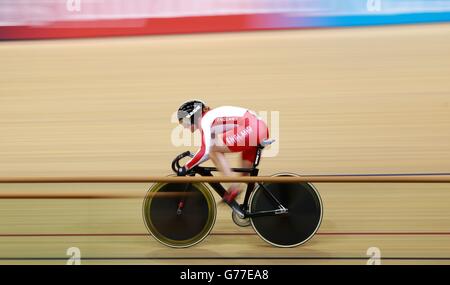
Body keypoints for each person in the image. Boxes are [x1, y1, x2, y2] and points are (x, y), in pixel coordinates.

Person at [176, 100, 269, 204]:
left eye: (185, 122)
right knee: (245, 176)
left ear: (194, 116)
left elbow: (206, 151)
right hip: (260, 128)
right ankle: (264, 201)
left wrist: (185, 167)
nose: (185, 126)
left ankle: (233, 187)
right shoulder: (211, 119)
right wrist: (194, 161)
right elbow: (205, 149)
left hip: (252, 129)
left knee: (213, 151)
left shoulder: (205, 120)